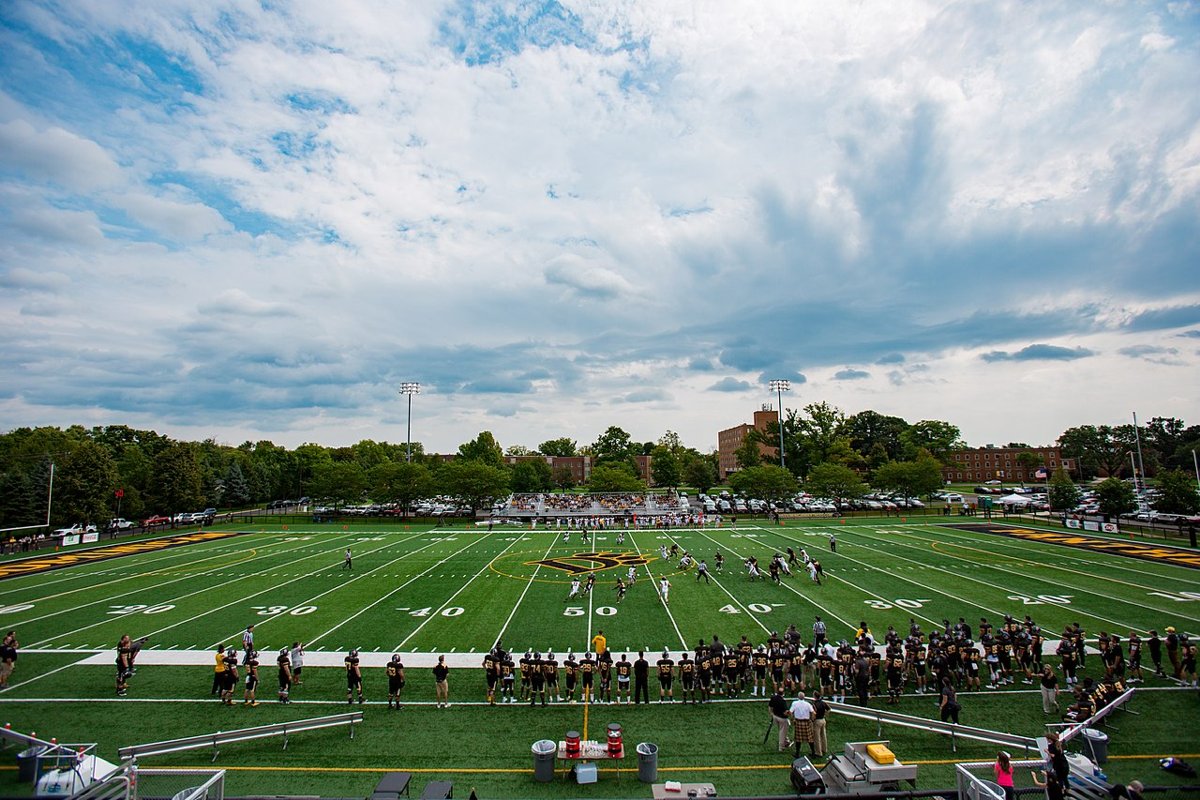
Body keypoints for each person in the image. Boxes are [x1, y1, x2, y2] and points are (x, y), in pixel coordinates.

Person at [788, 691, 815, 758]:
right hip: (806, 722)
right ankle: (813, 753)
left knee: (798, 739)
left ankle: (797, 753)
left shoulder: (795, 703)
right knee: (810, 739)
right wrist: (812, 720)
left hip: (798, 722)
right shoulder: (808, 704)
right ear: (804, 697)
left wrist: (792, 719)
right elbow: (813, 712)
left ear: (798, 697)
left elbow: (790, 712)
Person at [769, 687, 791, 752]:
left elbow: (770, 707)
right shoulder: (783, 701)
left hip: (775, 717)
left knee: (781, 730)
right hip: (782, 718)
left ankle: (786, 741)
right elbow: (786, 711)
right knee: (782, 732)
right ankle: (781, 747)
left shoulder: (773, 698)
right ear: (783, 693)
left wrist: (771, 714)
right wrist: (789, 714)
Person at [811, 691, 829, 758]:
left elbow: (814, 713)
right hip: (823, 720)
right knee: (823, 735)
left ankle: (818, 752)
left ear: (814, 696)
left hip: (817, 721)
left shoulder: (814, 704)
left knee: (817, 737)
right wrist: (825, 715)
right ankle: (824, 749)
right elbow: (829, 709)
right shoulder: (823, 703)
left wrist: (812, 720)